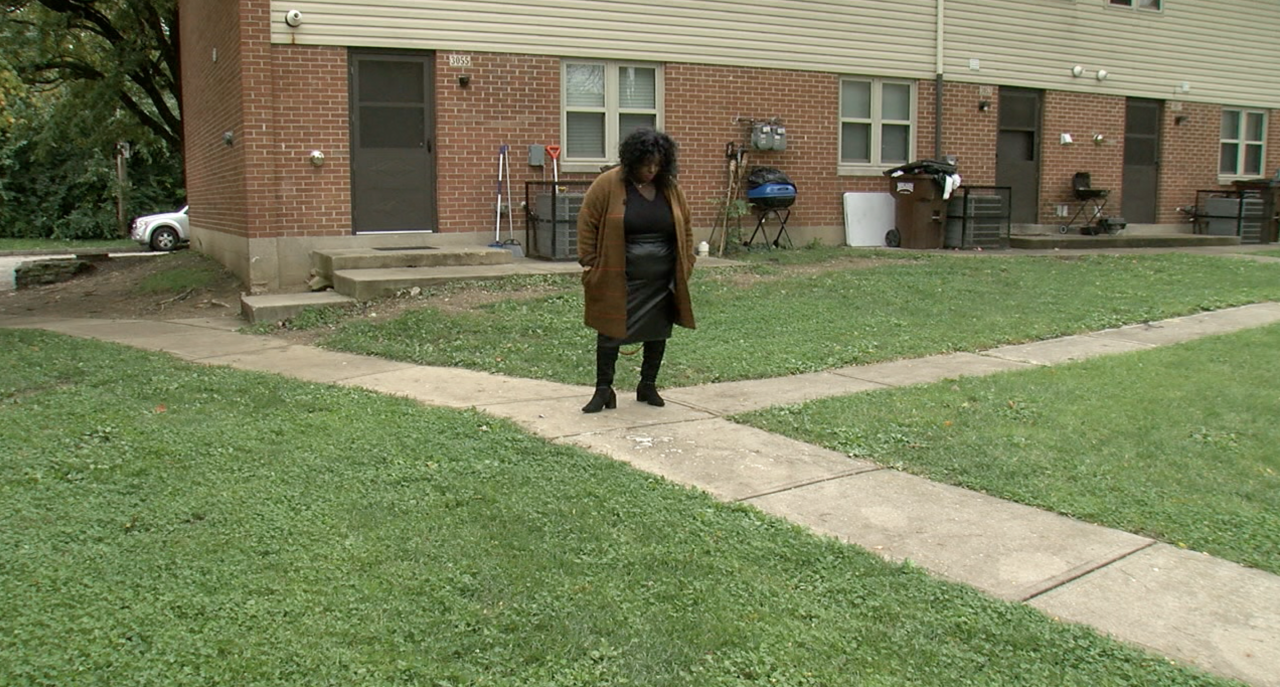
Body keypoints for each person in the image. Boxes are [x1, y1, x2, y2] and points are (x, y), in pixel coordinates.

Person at [576, 128, 697, 413]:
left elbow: (686, 226)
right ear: (632, 160)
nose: (651, 171)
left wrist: (687, 261)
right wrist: (591, 262)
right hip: (619, 276)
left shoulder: (670, 188)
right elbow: (587, 222)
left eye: (657, 165)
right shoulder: (608, 184)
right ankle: (603, 390)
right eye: (646, 165)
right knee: (609, 331)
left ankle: (648, 385)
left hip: (661, 279)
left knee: (658, 331)